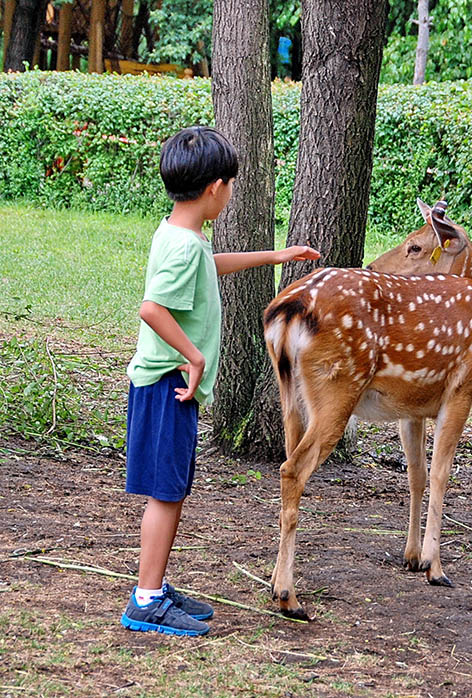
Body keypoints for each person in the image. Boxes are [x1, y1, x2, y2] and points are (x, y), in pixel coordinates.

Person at [121, 126, 320, 635]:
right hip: (170, 385)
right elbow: (152, 308)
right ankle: (145, 601)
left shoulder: (179, 236)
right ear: (214, 187)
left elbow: (208, 267)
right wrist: (194, 356)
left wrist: (276, 258)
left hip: (167, 387)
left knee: (172, 491)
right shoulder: (185, 247)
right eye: (230, 183)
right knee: (166, 494)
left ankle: (155, 586)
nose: (231, 193)